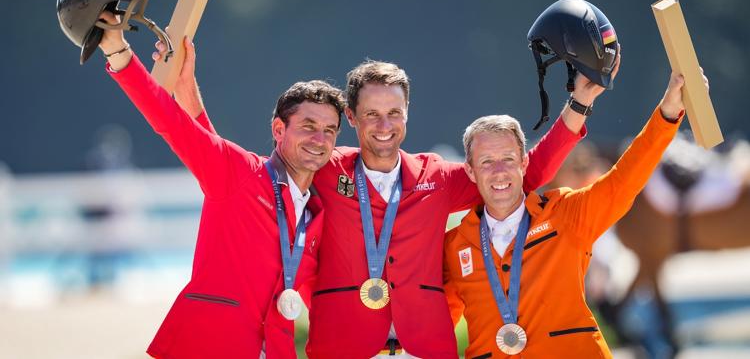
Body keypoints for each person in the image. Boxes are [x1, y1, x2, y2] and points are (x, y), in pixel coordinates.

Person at [165, 48, 605, 357]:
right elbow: (242, 171)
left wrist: (579, 104)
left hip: (425, 348)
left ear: (407, 115)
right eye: (372, 114)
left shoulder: (437, 176)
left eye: (394, 113)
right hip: (343, 348)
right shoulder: (322, 165)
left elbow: (526, 175)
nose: (384, 125)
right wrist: (187, 93)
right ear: (351, 118)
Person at [97, 11, 346, 358]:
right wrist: (118, 51)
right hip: (206, 347)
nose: (319, 139)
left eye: (329, 130)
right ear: (278, 130)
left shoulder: (316, 214)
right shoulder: (240, 172)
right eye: (307, 125)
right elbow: (170, 123)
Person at [442, 68, 704, 358]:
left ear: (524, 163)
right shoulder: (454, 245)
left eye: (508, 158)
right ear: (469, 170)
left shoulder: (565, 214)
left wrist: (667, 115)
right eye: (487, 162)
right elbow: (436, 321)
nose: (499, 171)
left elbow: (624, 180)